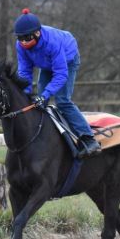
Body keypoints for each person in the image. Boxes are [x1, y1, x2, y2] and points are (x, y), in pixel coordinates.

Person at [13, 8, 101, 159]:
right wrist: (26, 94)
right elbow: (25, 72)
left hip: (67, 60)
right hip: (47, 64)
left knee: (62, 101)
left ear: (37, 33)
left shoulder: (51, 42)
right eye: (20, 38)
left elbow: (61, 74)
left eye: (27, 38)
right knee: (40, 102)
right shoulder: (20, 46)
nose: (24, 42)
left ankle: (88, 139)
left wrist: (45, 93)